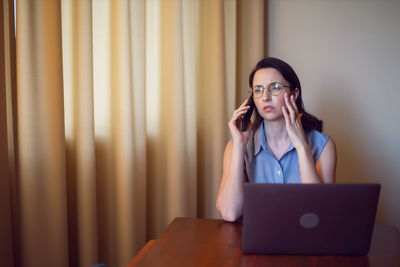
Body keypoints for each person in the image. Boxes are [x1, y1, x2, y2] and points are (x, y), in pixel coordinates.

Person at [216, 57, 337, 222]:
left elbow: (319, 211)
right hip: (253, 241)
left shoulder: (323, 145)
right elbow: (230, 213)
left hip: (303, 241)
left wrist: (302, 146)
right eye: (258, 90)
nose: (265, 97)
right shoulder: (236, 146)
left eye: (276, 88)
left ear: (294, 94)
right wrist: (239, 146)